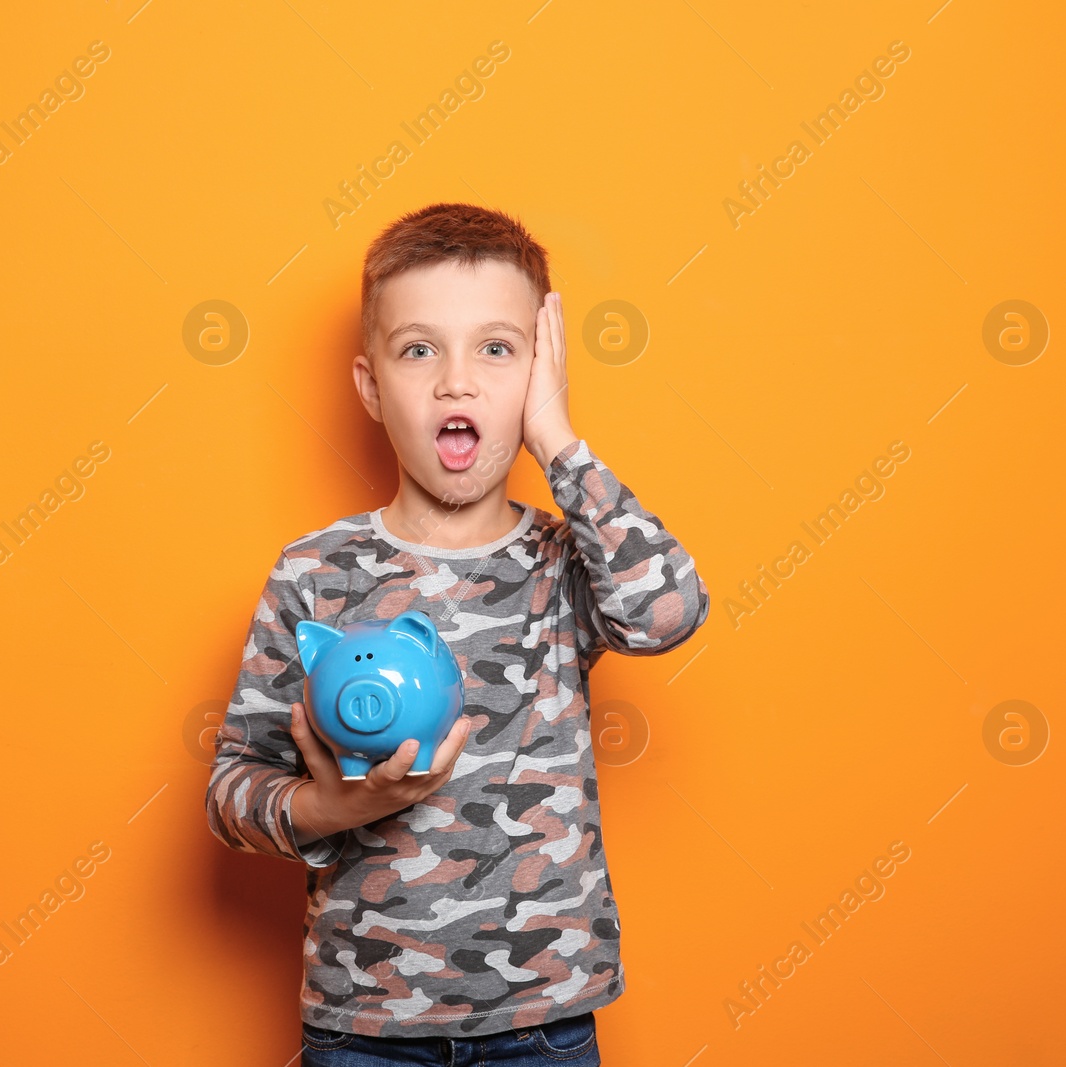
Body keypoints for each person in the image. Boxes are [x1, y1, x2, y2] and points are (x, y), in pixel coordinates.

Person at [204, 202, 710, 1065]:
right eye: (419, 349)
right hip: (364, 1024)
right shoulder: (314, 573)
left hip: (544, 1021)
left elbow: (666, 611)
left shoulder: (564, 560)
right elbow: (228, 793)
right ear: (370, 386)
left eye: (498, 349)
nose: (457, 383)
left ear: (539, 373)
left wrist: (557, 438)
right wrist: (329, 808)